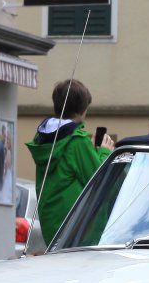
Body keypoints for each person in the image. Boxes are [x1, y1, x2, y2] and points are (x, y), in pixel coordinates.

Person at [26, 79, 113, 245]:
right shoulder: (76, 141)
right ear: (83, 109)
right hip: (76, 230)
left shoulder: (45, 139)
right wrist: (104, 152)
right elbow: (100, 180)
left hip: (52, 227)